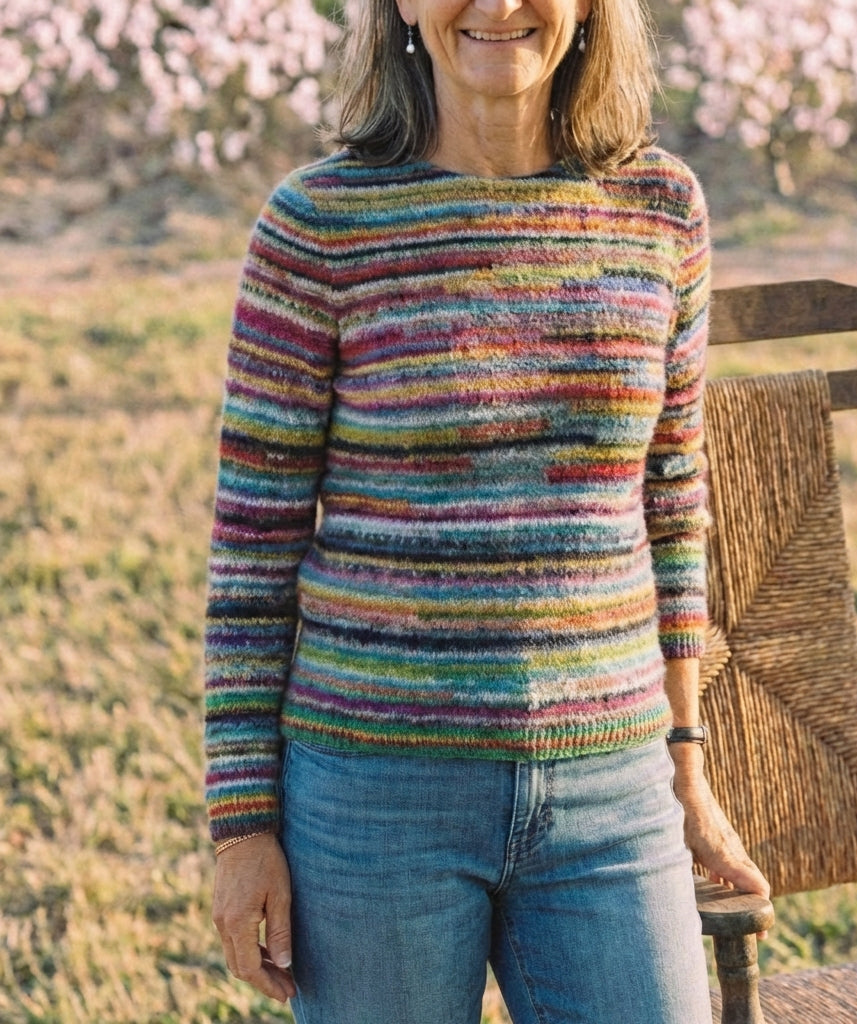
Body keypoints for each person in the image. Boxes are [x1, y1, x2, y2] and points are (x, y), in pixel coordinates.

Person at [204, 0, 770, 1019]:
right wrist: (240, 825)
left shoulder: (662, 208)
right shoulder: (319, 225)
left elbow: (672, 504)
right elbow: (253, 551)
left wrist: (684, 760)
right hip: (377, 794)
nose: (500, 5)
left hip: (612, 786)